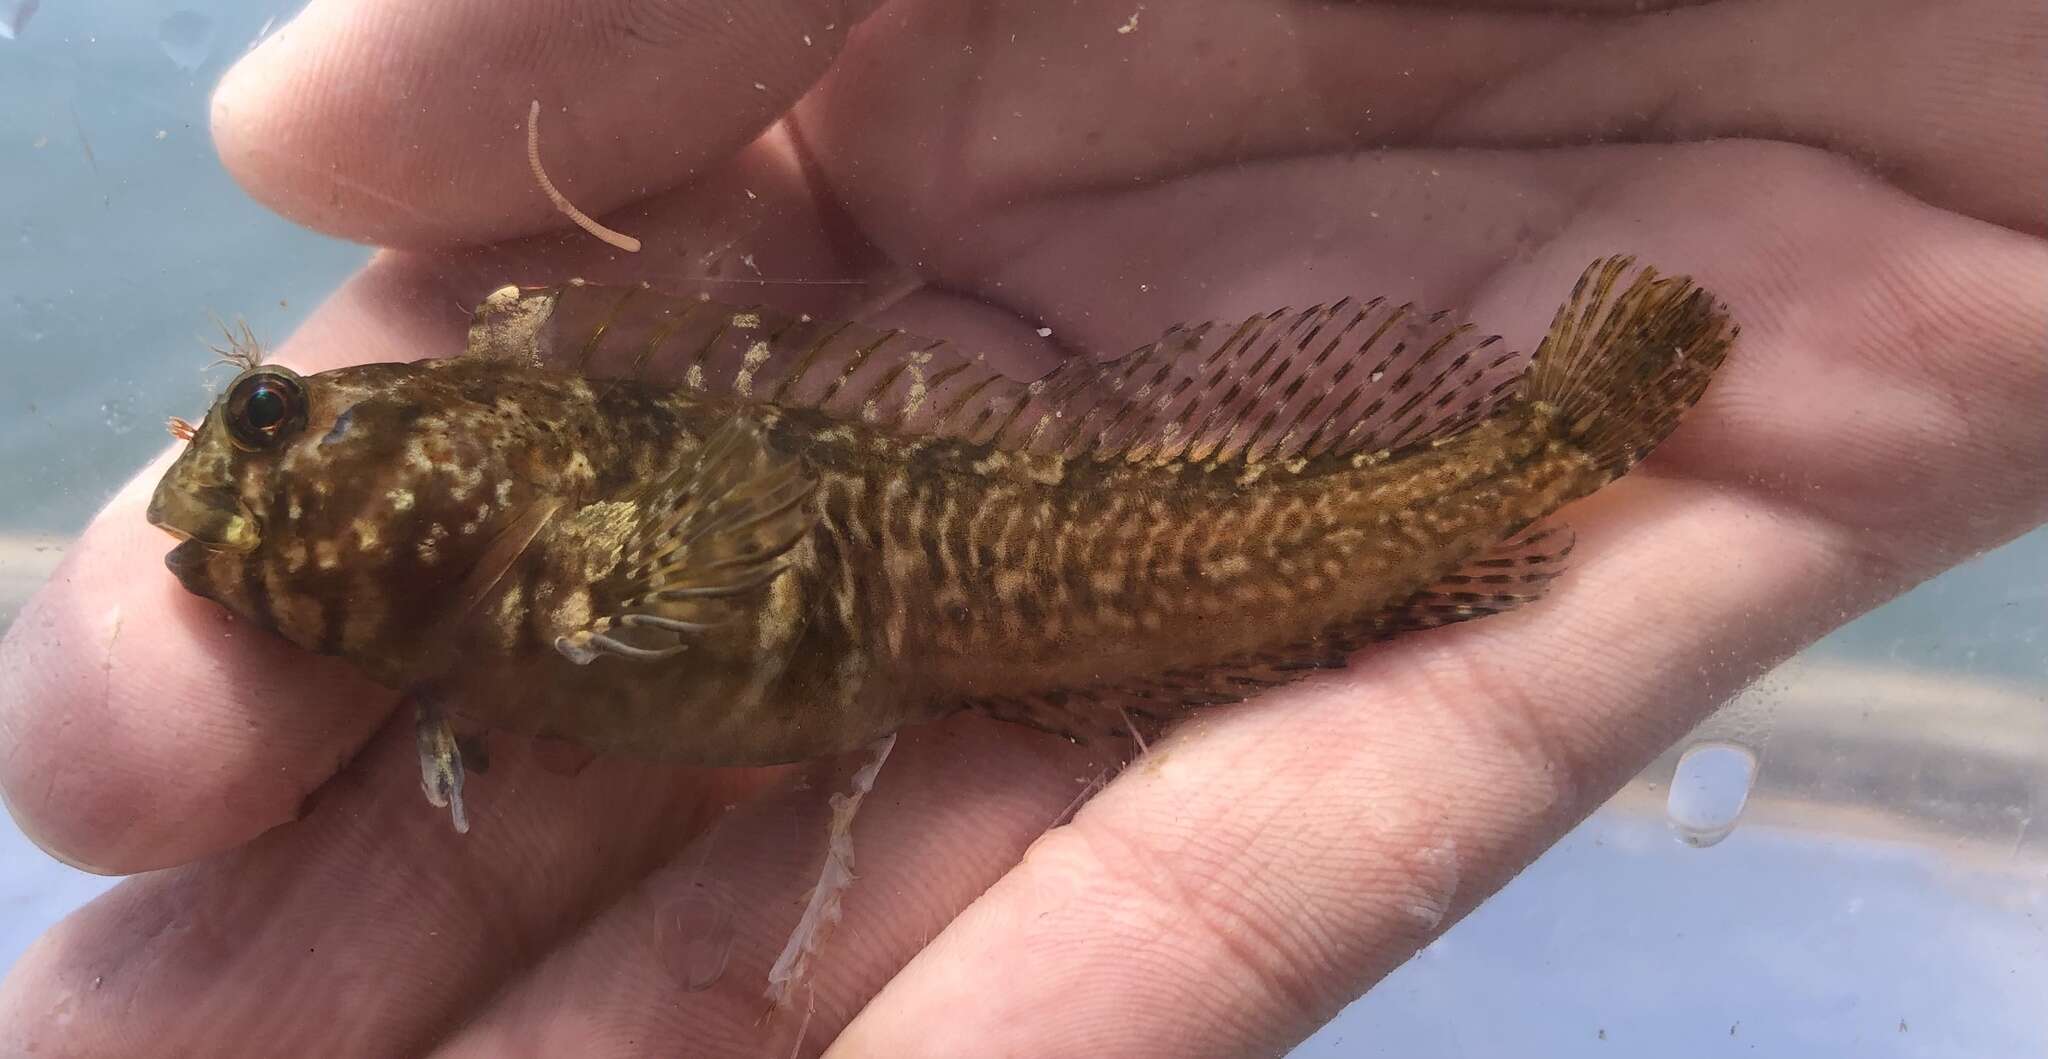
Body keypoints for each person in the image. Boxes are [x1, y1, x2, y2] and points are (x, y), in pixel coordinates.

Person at [2, 0, 2044, 1054]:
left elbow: (726, 619)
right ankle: (1538, 452)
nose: (236, 461)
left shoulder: (572, 514)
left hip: (1046, 553)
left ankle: (1552, 442)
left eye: (268, 422)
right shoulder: (523, 532)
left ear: (471, 459)